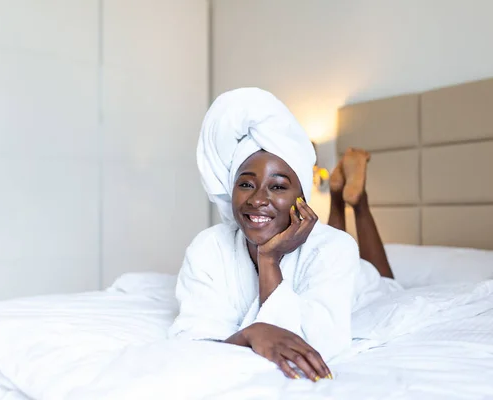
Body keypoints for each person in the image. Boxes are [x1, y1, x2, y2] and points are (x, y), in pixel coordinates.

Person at [169, 88, 362, 382]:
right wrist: (252, 333)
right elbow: (193, 343)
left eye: (278, 186)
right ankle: (339, 193)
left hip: (363, 282)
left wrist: (268, 260)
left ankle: (354, 201)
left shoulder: (336, 248)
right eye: (246, 185)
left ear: (302, 198)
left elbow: (320, 344)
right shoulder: (209, 247)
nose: (257, 199)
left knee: (385, 279)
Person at [326, 147, 394, 280]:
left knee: (330, 277)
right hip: (365, 293)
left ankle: (336, 198)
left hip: (331, 288)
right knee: (385, 283)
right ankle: (360, 202)